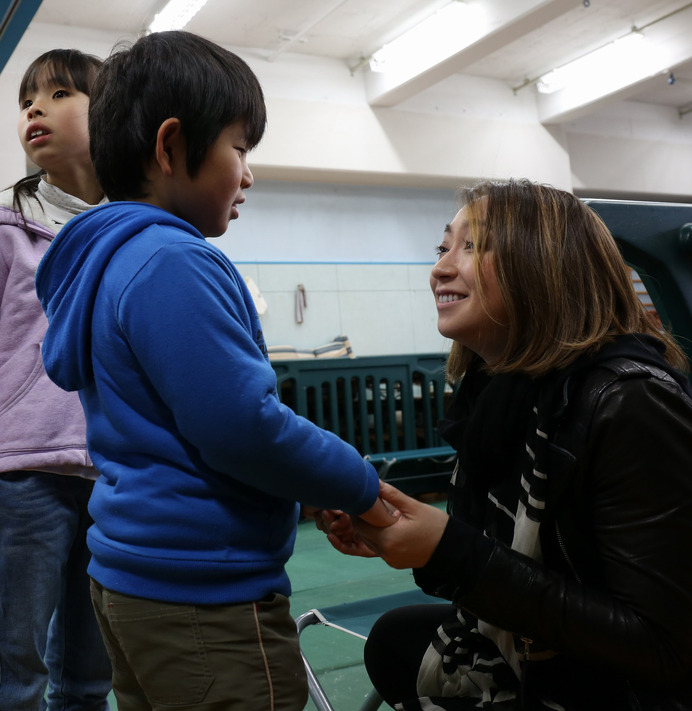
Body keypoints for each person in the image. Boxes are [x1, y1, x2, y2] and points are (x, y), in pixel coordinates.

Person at [35, 31, 395, 711]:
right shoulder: (175, 259)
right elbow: (241, 426)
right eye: (239, 148)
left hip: (131, 580)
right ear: (171, 148)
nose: (249, 174)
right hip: (202, 591)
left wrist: (304, 484)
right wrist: (357, 483)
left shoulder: (102, 262)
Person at [318, 179, 692, 710]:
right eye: (443, 247)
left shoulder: (631, 403)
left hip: (623, 689)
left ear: (545, 265)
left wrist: (451, 552)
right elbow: (496, 572)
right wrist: (402, 538)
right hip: (548, 652)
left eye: (472, 247)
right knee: (396, 639)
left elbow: (663, 649)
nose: (441, 268)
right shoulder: (497, 397)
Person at [0, 49, 112, 710]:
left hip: (110, 474)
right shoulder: (8, 227)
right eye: (26, 100)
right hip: (22, 470)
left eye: (62, 93)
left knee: (91, 669)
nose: (36, 108)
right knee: (14, 665)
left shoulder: (132, 227)